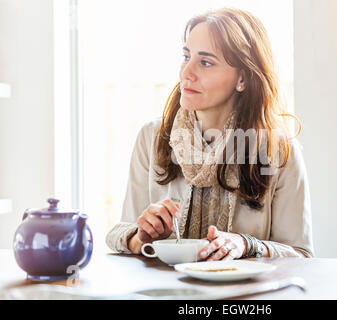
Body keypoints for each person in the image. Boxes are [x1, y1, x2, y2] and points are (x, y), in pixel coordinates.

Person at [106, 7, 314, 260]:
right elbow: (121, 232)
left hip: (247, 298)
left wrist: (247, 245)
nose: (186, 73)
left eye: (205, 62)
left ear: (243, 79)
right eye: (186, 57)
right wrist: (141, 237)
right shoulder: (152, 137)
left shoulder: (278, 150)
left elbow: (301, 255)